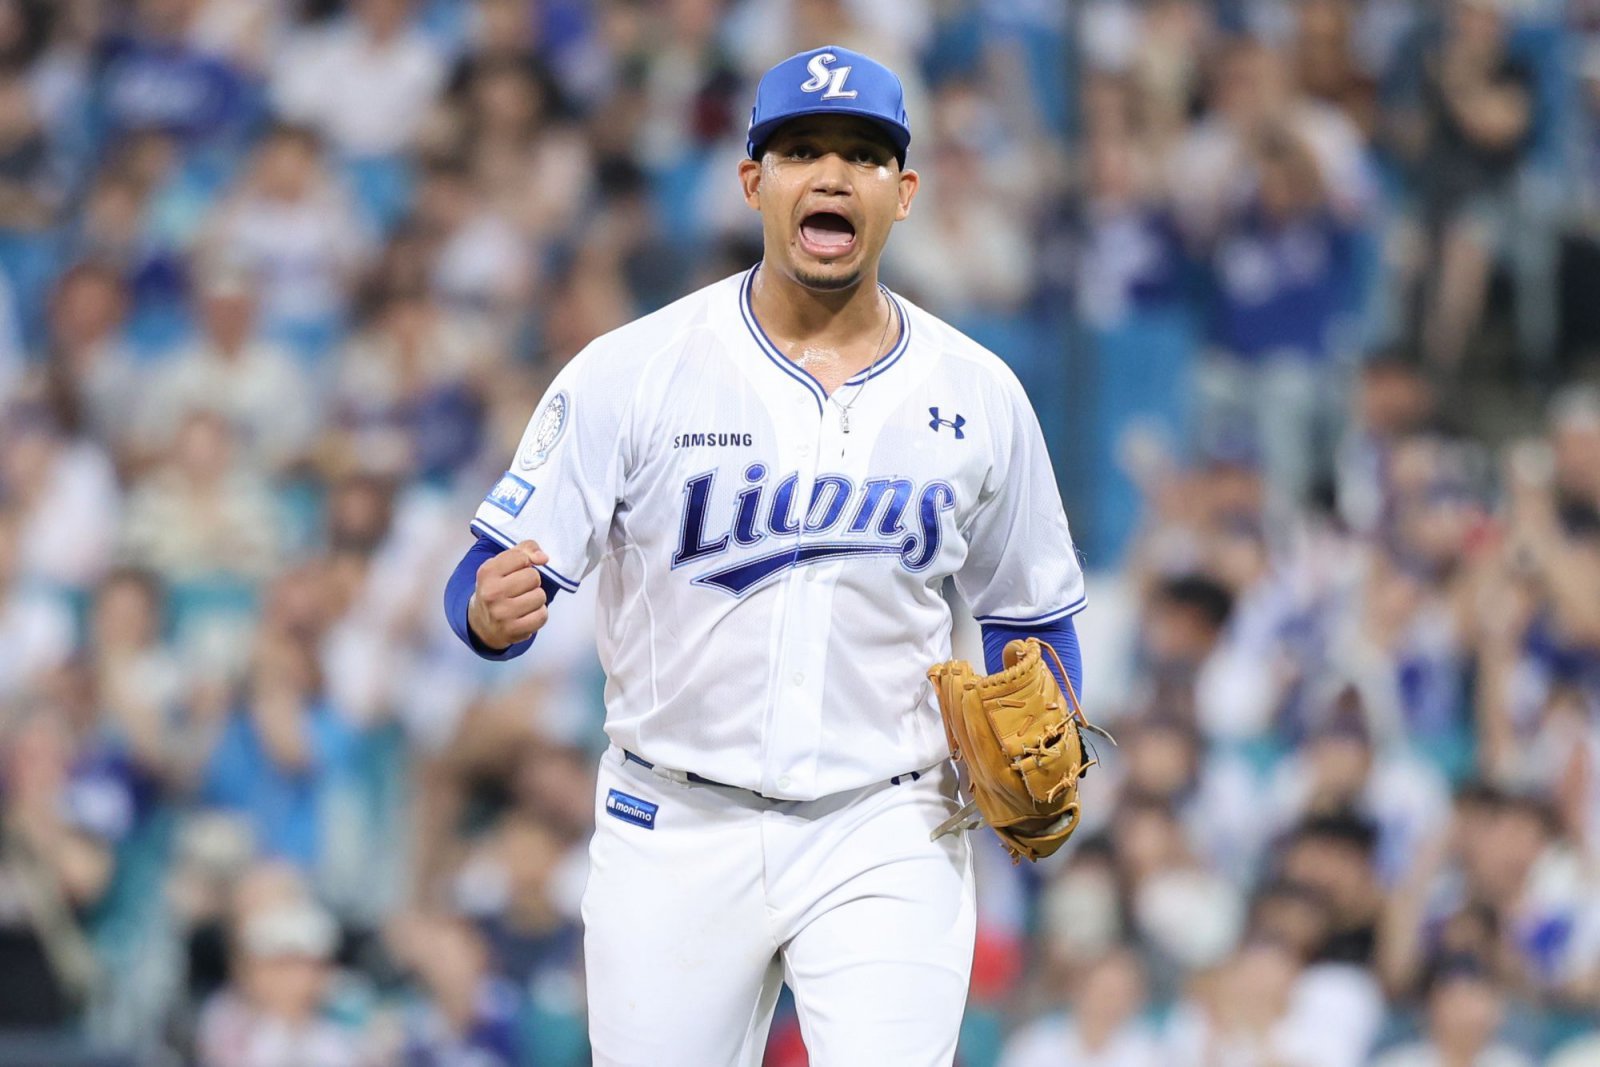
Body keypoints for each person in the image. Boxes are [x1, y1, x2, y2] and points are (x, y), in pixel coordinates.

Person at [441, 45, 1088, 1064]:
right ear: (753, 181)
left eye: (863, 156)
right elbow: (481, 577)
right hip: (673, 820)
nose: (832, 175)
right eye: (801, 151)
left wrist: (1051, 720)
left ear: (904, 193)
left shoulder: (978, 392)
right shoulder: (633, 369)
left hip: (888, 823)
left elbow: (1033, 614)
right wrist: (486, 615)